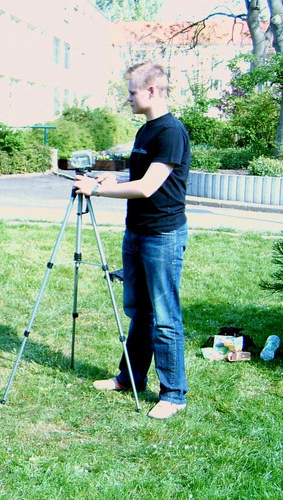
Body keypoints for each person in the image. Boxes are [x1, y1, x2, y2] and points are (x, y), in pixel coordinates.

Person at [74, 62, 191, 419]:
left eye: (132, 92)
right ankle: (130, 378)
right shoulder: (145, 131)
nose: (128, 98)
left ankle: (173, 394)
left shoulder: (171, 132)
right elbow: (138, 178)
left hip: (162, 236)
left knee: (165, 318)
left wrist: (96, 190)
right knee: (139, 312)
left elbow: (148, 187)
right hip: (136, 232)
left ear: (151, 91)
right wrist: (112, 182)